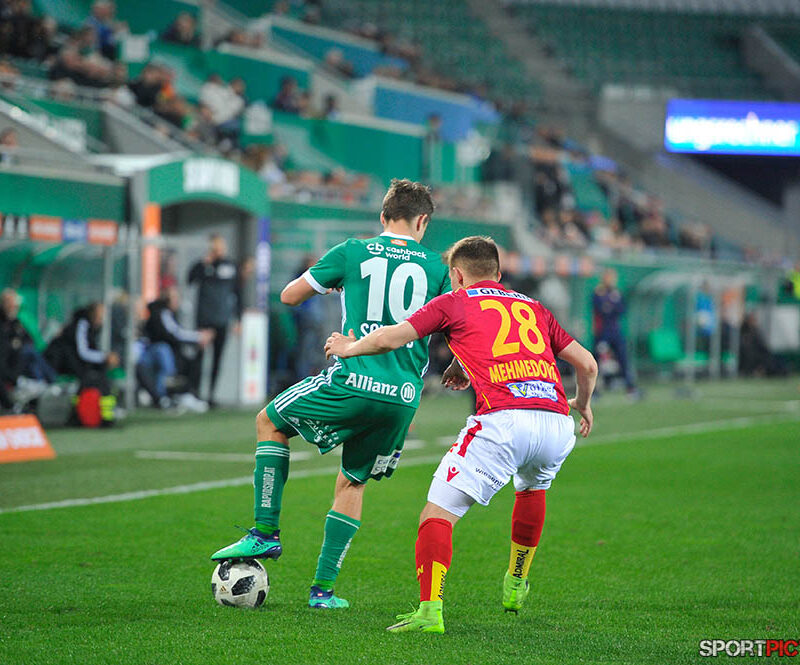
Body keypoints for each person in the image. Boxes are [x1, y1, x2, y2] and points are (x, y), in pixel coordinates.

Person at [324, 236, 598, 633]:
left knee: (436, 514)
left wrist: (349, 348)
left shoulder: (454, 301)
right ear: (498, 274)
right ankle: (517, 581)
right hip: (556, 421)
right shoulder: (534, 307)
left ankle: (429, 611)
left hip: (504, 420)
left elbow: (392, 337)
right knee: (532, 490)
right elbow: (587, 364)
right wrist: (583, 403)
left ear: (455, 275)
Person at [210, 179, 452, 610]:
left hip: (353, 378)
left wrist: (341, 284)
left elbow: (289, 296)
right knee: (352, 481)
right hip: (401, 395)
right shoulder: (437, 266)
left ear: (383, 217)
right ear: (423, 221)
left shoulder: (352, 251)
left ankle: (265, 532)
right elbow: (452, 325)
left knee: (270, 421)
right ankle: (322, 592)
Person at [138, 287, 214, 410]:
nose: (177, 301)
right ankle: (164, 394)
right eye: (175, 298)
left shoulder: (166, 313)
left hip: (162, 351)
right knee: (163, 352)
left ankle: (178, 393)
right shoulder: (161, 313)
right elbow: (175, 333)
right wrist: (198, 337)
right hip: (152, 352)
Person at [187, 234, 241, 407]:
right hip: (204, 320)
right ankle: (194, 392)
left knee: (218, 358)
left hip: (222, 320)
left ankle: (211, 395)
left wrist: (237, 319)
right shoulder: (203, 265)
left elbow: (237, 293)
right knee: (199, 357)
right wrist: (204, 263)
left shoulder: (230, 266)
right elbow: (190, 279)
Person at [44, 302, 119, 391]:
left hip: (74, 364)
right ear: (93, 314)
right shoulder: (81, 325)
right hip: (60, 364)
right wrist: (104, 357)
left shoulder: (92, 329)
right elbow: (83, 352)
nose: (102, 319)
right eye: (100, 316)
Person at [592, 268, 638, 396]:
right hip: (602, 332)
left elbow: (621, 309)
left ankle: (631, 388)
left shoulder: (616, 293)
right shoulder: (598, 293)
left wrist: (611, 305)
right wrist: (611, 304)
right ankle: (593, 390)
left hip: (615, 331)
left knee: (623, 358)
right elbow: (603, 310)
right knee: (597, 362)